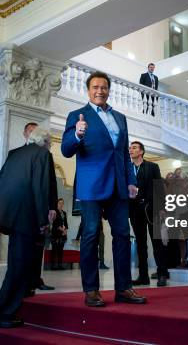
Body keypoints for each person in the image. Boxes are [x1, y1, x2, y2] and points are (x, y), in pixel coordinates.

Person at [62, 71, 146, 307]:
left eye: (104, 87)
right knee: (90, 235)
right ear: (88, 90)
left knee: (122, 235)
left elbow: (123, 154)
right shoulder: (77, 116)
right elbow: (66, 150)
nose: (100, 91)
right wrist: (77, 134)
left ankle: (124, 288)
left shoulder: (120, 117)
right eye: (95, 87)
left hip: (119, 185)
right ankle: (91, 290)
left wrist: (131, 181)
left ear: (109, 90)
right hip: (91, 186)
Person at [0, 127, 57, 328]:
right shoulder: (43, 154)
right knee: (19, 268)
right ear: (44, 141)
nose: (50, 145)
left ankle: (0, 312)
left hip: (11, 217)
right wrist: (43, 219)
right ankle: (1, 314)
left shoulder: (14, 154)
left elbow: (1, 186)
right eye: (50, 142)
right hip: (28, 218)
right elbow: (40, 186)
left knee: (17, 266)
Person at [129, 141, 169, 287]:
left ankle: (162, 274)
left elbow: (159, 188)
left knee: (157, 243)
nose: (130, 150)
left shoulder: (152, 166)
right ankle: (143, 276)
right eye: (130, 148)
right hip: (134, 210)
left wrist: (162, 208)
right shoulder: (127, 168)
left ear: (141, 151)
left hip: (151, 208)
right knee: (140, 245)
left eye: (134, 148)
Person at [22, 122, 55, 293]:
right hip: (24, 210)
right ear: (25, 134)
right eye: (31, 131)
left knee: (38, 246)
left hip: (41, 209)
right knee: (24, 248)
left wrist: (52, 206)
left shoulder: (46, 154)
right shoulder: (17, 154)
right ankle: (25, 282)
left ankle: (36, 279)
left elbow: (50, 182)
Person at [51, 198, 68, 270]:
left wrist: (65, 230)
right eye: (59, 203)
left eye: (62, 203)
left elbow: (66, 223)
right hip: (55, 233)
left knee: (61, 250)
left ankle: (60, 265)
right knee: (54, 249)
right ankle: (53, 265)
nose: (61, 204)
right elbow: (55, 223)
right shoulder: (54, 212)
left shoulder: (64, 213)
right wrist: (62, 230)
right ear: (57, 204)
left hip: (63, 234)